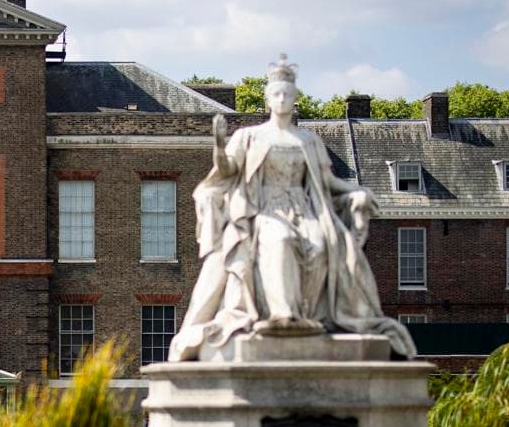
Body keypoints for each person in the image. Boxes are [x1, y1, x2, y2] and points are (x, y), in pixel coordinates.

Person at [169, 54, 416, 362]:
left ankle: (309, 317)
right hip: (264, 210)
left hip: (304, 208)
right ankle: (282, 316)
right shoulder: (250, 137)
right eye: (277, 94)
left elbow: (327, 182)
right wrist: (219, 146)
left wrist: (358, 192)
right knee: (280, 240)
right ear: (268, 100)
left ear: (295, 98)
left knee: (320, 245)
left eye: (287, 93)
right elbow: (228, 171)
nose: (283, 98)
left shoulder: (308, 140)